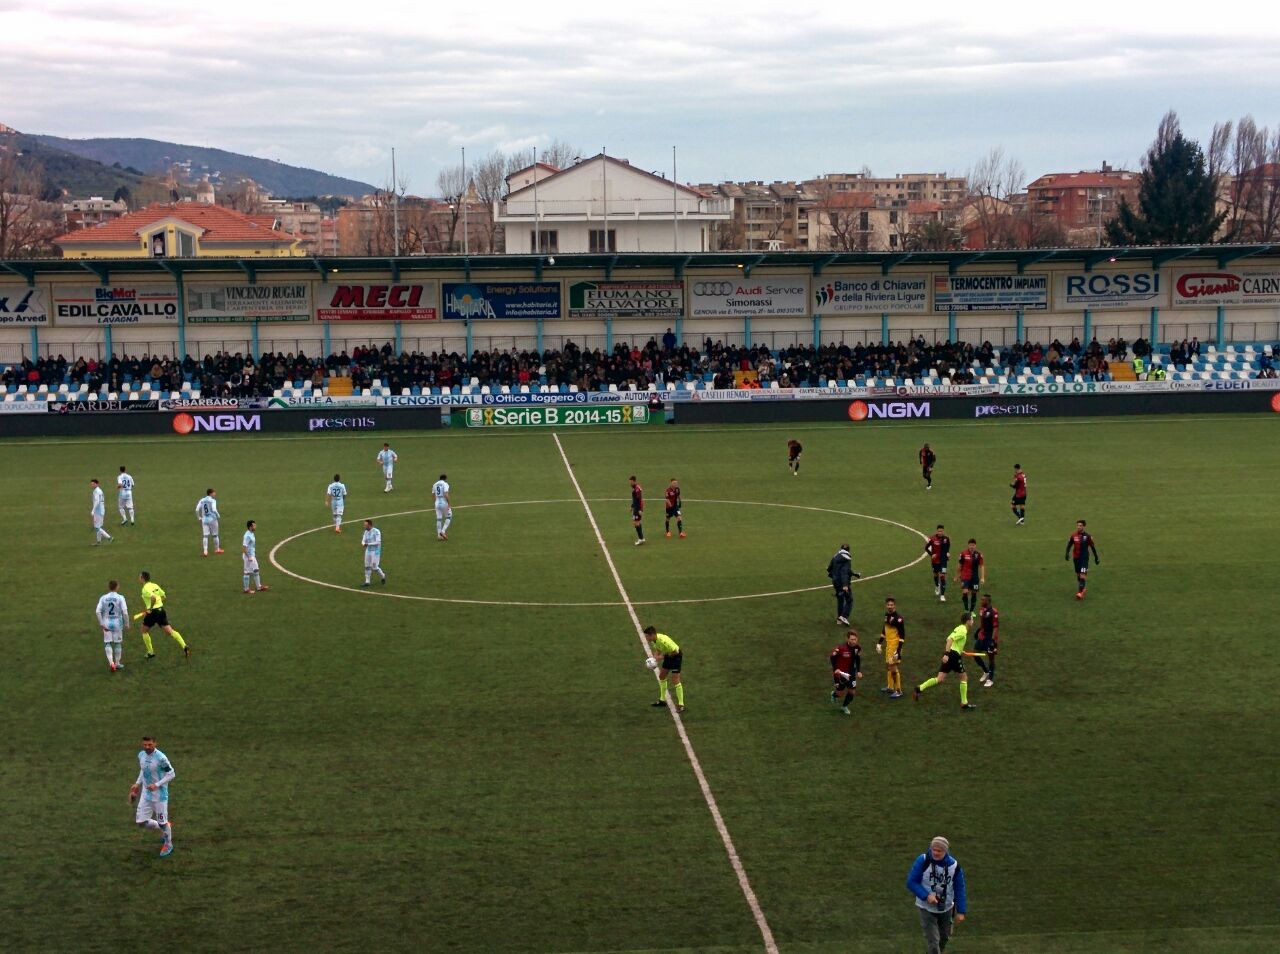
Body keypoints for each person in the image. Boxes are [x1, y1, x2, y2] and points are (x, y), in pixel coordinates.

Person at [907, 836, 968, 954]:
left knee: (944, 938)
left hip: (946, 908)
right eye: (933, 849)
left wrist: (961, 911)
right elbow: (911, 882)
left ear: (945, 851)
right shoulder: (923, 861)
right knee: (933, 942)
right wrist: (926, 896)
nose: (935, 852)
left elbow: (959, 888)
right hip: (925, 908)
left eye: (939, 851)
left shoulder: (954, 866)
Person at [913, 612, 977, 710]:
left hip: (952, 653)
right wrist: (947, 654)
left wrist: (959, 650)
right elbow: (950, 640)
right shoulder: (963, 630)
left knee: (940, 678)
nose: (973, 621)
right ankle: (964, 703)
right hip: (953, 656)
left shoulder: (959, 628)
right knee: (964, 678)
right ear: (968, 621)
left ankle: (919, 688)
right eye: (972, 619)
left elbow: (950, 639)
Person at [129, 736, 176, 857]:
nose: (147, 747)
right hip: (146, 794)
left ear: (155, 744)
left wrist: (157, 785)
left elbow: (171, 774)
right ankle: (164, 826)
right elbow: (143, 770)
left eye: (150, 745)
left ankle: (168, 844)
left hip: (159, 796)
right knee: (141, 822)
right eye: (145, 745)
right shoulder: (141, 755)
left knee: (162, 823)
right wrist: (137, 784)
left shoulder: (161, 758)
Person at [137, 571, 190, 660]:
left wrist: (150, 608)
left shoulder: (145, 589)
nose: (138, 578)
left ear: (142, 578)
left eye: (139, 577)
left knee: (143, 630)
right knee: (170, 631)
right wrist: (158, 604)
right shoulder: (155, 585)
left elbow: (153, 598)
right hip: (161, 611)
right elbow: (164, 596)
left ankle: (150, 652)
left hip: (153, 613)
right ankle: (184, 646)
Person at [644, 626, 684, 712]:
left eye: (647, 636)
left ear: (652, 635)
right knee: (662, 676)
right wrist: (654, 659)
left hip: (676, 657)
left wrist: (661, 657)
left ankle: (681, 704)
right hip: (668, 655)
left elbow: (675, 652)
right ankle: (662, 700)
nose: (646, 638)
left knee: (675, 680)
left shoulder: (663, 640)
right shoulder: (654, 640)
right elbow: (658, 649)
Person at [95, 579, 129, 672]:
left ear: (109, 587)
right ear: (117, 587)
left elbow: (97, 611)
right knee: (117, 643)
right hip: (117, 622)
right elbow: (125, 612)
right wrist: (127, 624)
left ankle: (111, 663)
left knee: (107, 642)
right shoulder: (120, 597)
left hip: (106, 623)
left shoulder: (103, 598)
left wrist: (101, 623)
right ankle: (117, 663)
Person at [876, 596, 907, 698]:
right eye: (888, 605)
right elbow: (885, 630)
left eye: (891, 605)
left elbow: (902, 636)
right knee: (888, 666)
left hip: (895, 646)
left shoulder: (898, 619)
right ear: (886, 605)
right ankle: (890, 687)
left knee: (893, 667)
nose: (890, 606)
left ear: (895, 606)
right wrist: (879, 643)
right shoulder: (886, 615)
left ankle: (898, 690)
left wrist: (898, 651)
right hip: (889, 645)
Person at [829, 629, 862, 715]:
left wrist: (858, 671)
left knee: (852, 691)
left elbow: (857, 659)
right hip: (840, 673)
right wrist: (836, 669)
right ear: (848, 639)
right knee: (840, 693)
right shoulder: (841, 648)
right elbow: (832, 657)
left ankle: (844, 706)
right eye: (851, 639)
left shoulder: (858, 648)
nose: (854, 641)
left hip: (851, 673)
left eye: (855, 639)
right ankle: (834, 694)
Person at [1065, 519, 1100, 600]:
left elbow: (1092, 547)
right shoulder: (1073, 535)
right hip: (1076, 558)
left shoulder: (1087, 536)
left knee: (1082, 575)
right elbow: (1069, 544)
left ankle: (1080, 593)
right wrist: (1067, 553)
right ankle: (1082, 588)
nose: (1079, 527)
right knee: (1078, 575)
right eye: (1078, 525)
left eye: (1080, 525)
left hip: (1084, 559)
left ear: (1084, 526)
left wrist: (1096, 557)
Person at [826, 543, 859, 625]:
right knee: (849, 600)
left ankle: (839, 619)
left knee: (840, 599)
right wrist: (845, 585)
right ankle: (844, 616)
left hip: (835, 582)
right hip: (842, 583)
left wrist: (854, 574)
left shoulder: (835, 556)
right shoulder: (847, 559)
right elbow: (844, 572)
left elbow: (829, 568)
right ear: (849, 550)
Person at [973, 593, 999, 687]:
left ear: (987, 601)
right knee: (975, 653)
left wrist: (992, 641)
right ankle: (986, 671)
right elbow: (982, 623)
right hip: (982, 636)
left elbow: (995, 627)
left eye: (983, 600)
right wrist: (978, 631)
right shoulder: (981, 610)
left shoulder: (993, 612)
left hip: (990, 638)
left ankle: (990, 679)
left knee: (991, 659)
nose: (981, 601)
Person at [957, 539, 985, 613]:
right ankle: (966, 609)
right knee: (965, 592)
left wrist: (982, 577)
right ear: (968, 545)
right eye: (970, 545)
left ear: (975, 546)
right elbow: (960, 565)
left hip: (975, 577)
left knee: (974, 593)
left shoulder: (979, 554)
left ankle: (971, 611)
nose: (971, 547)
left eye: (973, 545)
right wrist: (958, 574)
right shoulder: (963, 553)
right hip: (965, 576)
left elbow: (982, 566)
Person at [925, 525, 951, 602]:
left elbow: (948, 547)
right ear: (936, 531)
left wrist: (948, 554)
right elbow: (926, 548)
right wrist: (931, 554)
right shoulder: (932, 538)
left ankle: (942, 595)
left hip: (943, 561)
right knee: (936, 574)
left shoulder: (946, 539)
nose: (940, 532)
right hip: (935, 561)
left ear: (943, 531)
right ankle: (937, 586)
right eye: (939, 531)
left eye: (941, 531)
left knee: (942, 576)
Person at [242, 519, 268, 594]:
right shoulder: (247, 536)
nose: (255, 526)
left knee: (256, 569)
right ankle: (246, 589)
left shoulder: (251, 533)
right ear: (250, 527)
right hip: (248, 557)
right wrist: (249, 556)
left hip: (252, 556)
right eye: (254, 525)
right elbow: (244, 548)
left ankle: (259, 587)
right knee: (247, 572)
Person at [195, 488, 221, 556]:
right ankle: (217, 549)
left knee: (205, 536)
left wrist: (199, 517)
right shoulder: (213, 500)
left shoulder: (202, 500)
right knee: (215, 535)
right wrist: (218, 514)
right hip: (212, 519)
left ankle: (205, 551)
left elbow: (197, 509)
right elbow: (214, 509)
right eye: (214, 492)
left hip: (204, 520)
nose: (215, 494)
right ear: (210, 493)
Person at [361, 518, 387, 587]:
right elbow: (363, 540)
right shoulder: (366, 532)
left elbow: (378, 542)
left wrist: (367, 544)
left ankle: (383, 575)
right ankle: (367, 581)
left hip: (375, 551)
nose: (364, 526)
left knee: (374, 567)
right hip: (368, 550)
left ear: (369, 525)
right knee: (367, 566)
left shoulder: (376, 531)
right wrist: (363, 543)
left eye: (365, 525)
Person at [90, 478, 113, 546]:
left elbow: (97, 501)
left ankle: (109, 538)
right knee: (98, 527)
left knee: (97, 527)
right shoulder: (99, 490)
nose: (92, 485)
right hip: (101, 510)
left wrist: (93, 510)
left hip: (98, 511)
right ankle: (98, 542)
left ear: (97, 484)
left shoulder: (97, 491)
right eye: (91, 484)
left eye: (93, 484)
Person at [432, 473, 452, 540]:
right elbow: (446, 494)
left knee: (439, 519)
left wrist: (435, 502)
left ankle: (439, 535)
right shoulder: (445, 484)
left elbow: (433, 494)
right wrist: (449, 503)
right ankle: (443, 531)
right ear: (445, 479)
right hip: (444, 503)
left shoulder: (435, 484)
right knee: (449, 516)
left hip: (437, 503)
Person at [629, 475, 645, 546]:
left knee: (636, 523)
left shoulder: (637, 489)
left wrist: (640, 510)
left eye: (631, 482)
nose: (630, 483)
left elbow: (639, 500)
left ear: (634, 481)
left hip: (637, 508)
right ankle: (641, 538)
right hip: (636, 507)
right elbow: (635, 500)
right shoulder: (635, 488)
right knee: (636, 523)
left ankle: (640, 539)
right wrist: (632, 506)